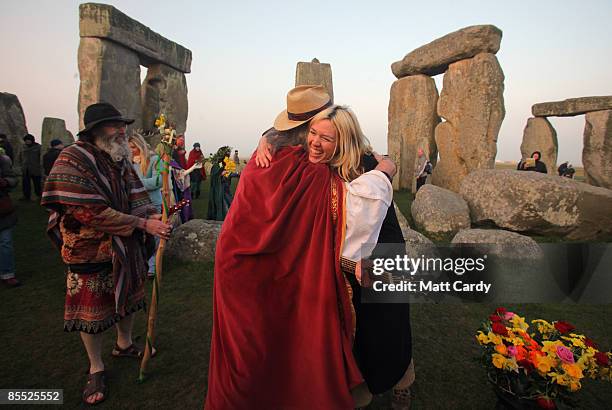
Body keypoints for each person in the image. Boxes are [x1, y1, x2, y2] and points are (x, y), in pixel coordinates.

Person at [206, 85, 397, 409]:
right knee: (278, 347)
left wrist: (266, 136)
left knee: (248, 352)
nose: (316, 141)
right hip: (259, 271)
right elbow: (355, 204)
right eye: (315, 130)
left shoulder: (261, 157)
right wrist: (384, 172)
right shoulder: (312, 172)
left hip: (234, 264)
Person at [257, 103, 414, 408]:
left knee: (389, 320)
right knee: (352, 325)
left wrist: (385, 170)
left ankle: (402, 380)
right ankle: (359, 390)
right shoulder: (319, 160)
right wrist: (266, 137)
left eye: (326, 139)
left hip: (381, 250)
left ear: (343, 140)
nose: (315, 141)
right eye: (313, 134)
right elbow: (291, 133)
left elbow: (364, 212)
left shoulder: (368, 163)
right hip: (343, 258)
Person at [41, 102, 173, 406]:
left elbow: (137, 193)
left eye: (123, 125)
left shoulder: (119, 158)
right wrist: (142, 224)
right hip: (88, 249)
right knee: (92, 307)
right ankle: (96, 367)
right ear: (96, 131)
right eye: (116, 125)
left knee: (128, 294)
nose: (123, 131)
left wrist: (153, 216)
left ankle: (124, 344)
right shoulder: (71, 159)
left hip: (125, 246)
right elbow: (90, 212)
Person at [128, 134, 163, 278]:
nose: (132, 150)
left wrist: (136, 184)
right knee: (138, 235)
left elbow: (158, 181)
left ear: (140, 145)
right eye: (129, 148)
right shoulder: (128, 162)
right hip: (135, 204)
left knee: (155, 235)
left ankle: (153, 266)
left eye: (134, 147)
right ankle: (141, 264)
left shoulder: (154, 160)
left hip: (152, 202)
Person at [0, 147, 19, 287]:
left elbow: (13, 179)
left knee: (5, 243)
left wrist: (5, 182)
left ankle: (8, 274)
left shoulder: (3, 160)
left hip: (2, 207)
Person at [18, 134, 42, 200]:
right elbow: (19, 156)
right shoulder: (23, 147)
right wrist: (21, 165)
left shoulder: (38, 147)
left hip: (35, 168)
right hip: (25, 168)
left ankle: (39, 195)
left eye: (28, 140)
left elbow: (41, 157)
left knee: (37, 183)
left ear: (32, 140)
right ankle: (26, 196)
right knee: (25, 184)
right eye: (26, 140)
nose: (27, 142)